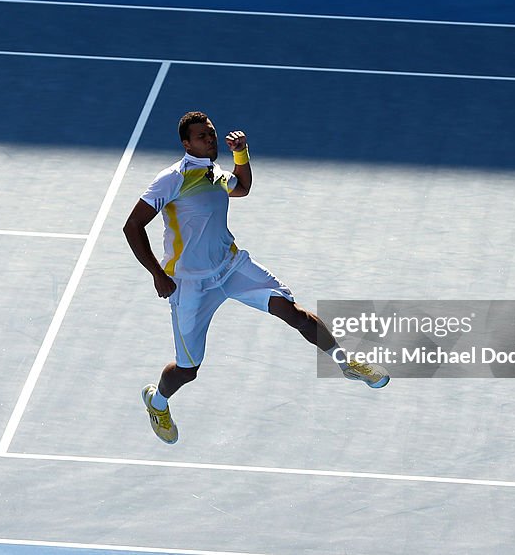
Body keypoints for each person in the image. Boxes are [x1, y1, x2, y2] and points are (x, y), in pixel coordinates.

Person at [122, 111, 389, 444]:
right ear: (186, 143)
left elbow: (243, 187)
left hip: (232, 266)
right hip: (190, 284)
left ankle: (345, 362)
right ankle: (157, 402)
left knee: (291, 311)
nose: (211, 139)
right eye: (202, 136)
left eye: (212, 133)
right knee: (188, 370)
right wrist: (158, 274)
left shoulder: (215, 174)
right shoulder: (171, 179)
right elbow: (132, 226)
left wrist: (241, 153)